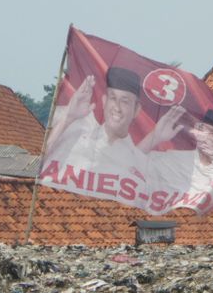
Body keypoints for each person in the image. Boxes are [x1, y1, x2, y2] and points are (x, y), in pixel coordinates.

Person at [41, 67, 149, 204]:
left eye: (125, 101)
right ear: (104, 101)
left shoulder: (139, 162)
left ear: (136, 110)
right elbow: (38, 164)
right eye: (113, 98)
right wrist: (69, 117)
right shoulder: (75, 132)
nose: (117, 107)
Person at [145, 108, 213, 213]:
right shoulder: (173, 159)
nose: (211, 138)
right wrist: (154, 137)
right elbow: (132, 164)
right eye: (207, 131)